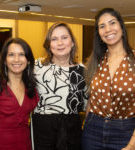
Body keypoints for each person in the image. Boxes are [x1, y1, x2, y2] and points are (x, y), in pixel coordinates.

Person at [81, 8, 135, 150]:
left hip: (126, 132)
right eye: (102, 26)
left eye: (112, 23)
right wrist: (86, 124)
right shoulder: (95, 61)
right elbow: (92, 99)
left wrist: (131, 145)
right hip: (92, 130)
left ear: (122, 28)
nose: (108, 29)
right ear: (99, 34)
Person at [31, 22, 88, 150]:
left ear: (72, 42)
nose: (60, 43)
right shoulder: (36, 67)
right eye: (54, 39)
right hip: (42, 129)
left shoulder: (83, 71)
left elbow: (87, 105)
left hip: (71, 130)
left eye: (64, 38)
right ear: (49, 44)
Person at [0, 37, 39, 150]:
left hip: (23, 144)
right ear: (4, 59)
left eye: (21, 54)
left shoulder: (31, 88)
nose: (16, 59)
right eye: (11, 55)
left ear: (28, 60)